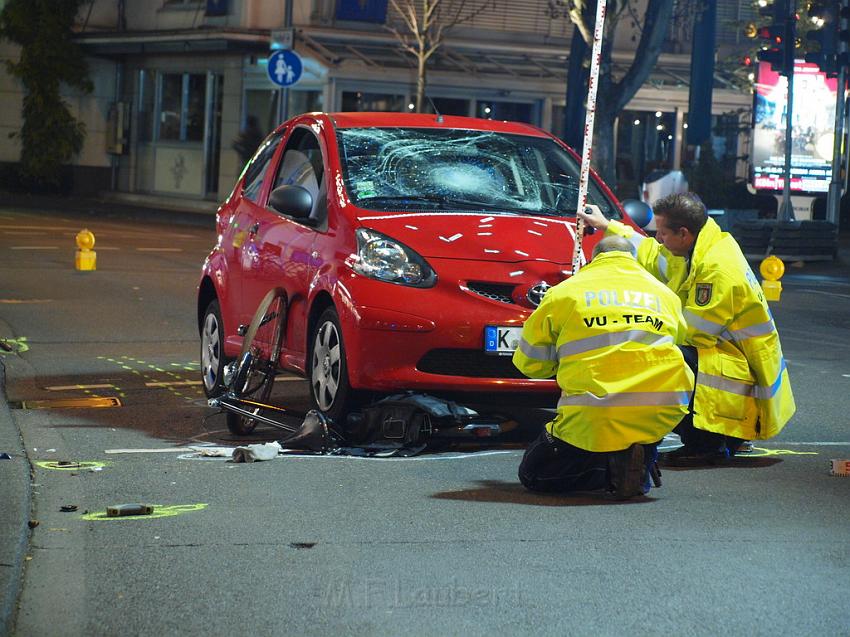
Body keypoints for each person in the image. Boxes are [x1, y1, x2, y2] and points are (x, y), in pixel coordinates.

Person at [578, 193, 795, 465]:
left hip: (739, 366)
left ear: (683, 233)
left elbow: (695, 333)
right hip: (734, 358)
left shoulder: (716, 270)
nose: (659, 238)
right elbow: (652, 253)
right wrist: (607, 226)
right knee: (671, 355)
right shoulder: (700, 247)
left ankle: (705, 444)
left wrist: (641, 330)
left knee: (666, 359)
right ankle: (726, 437)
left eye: (663, 233)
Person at [513, 236, 695, 500]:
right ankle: (639, 457)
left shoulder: (564, 293)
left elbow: (530, 364)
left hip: (592, 414)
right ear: (632, 259)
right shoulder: (665, 294)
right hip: (661, 409)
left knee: (534, 475)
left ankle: (607, 469)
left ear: (594, 258)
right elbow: (677, 341)